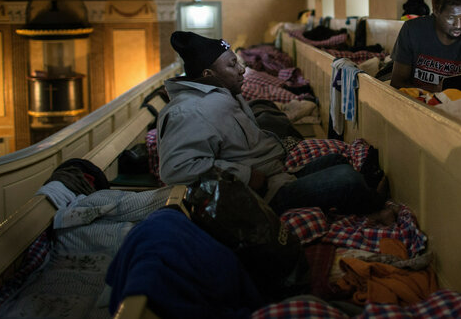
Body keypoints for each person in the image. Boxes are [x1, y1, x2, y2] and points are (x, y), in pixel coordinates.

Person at [157, 31, 389, 218]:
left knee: (337, 160)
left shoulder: (222, 92)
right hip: (257, 198)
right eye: (231, 65)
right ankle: (374, 209)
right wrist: (247, 175)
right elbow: (177, 170)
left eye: (237, 62)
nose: (242, 70)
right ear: (208, 74)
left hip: (273, 175)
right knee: (345, 179)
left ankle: (359, 202)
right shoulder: (187, 112)